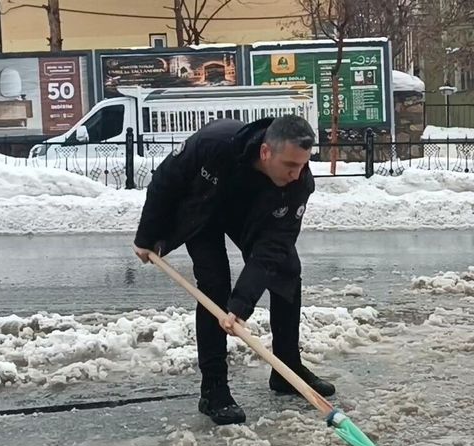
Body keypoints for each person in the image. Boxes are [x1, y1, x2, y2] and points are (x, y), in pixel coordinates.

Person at [132, 114, 336, 425]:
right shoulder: (214, 144)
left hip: (250, 214)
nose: (297, 174)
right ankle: (213, 389)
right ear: (266, 152)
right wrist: (147, 237)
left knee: (286, 271)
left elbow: (273, 248)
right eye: (290, 166)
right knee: (214, 285)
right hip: (203, 209)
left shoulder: (298, 184)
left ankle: (286, 370)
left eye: (303, 165)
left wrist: (241, 305)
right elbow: (166, 180)